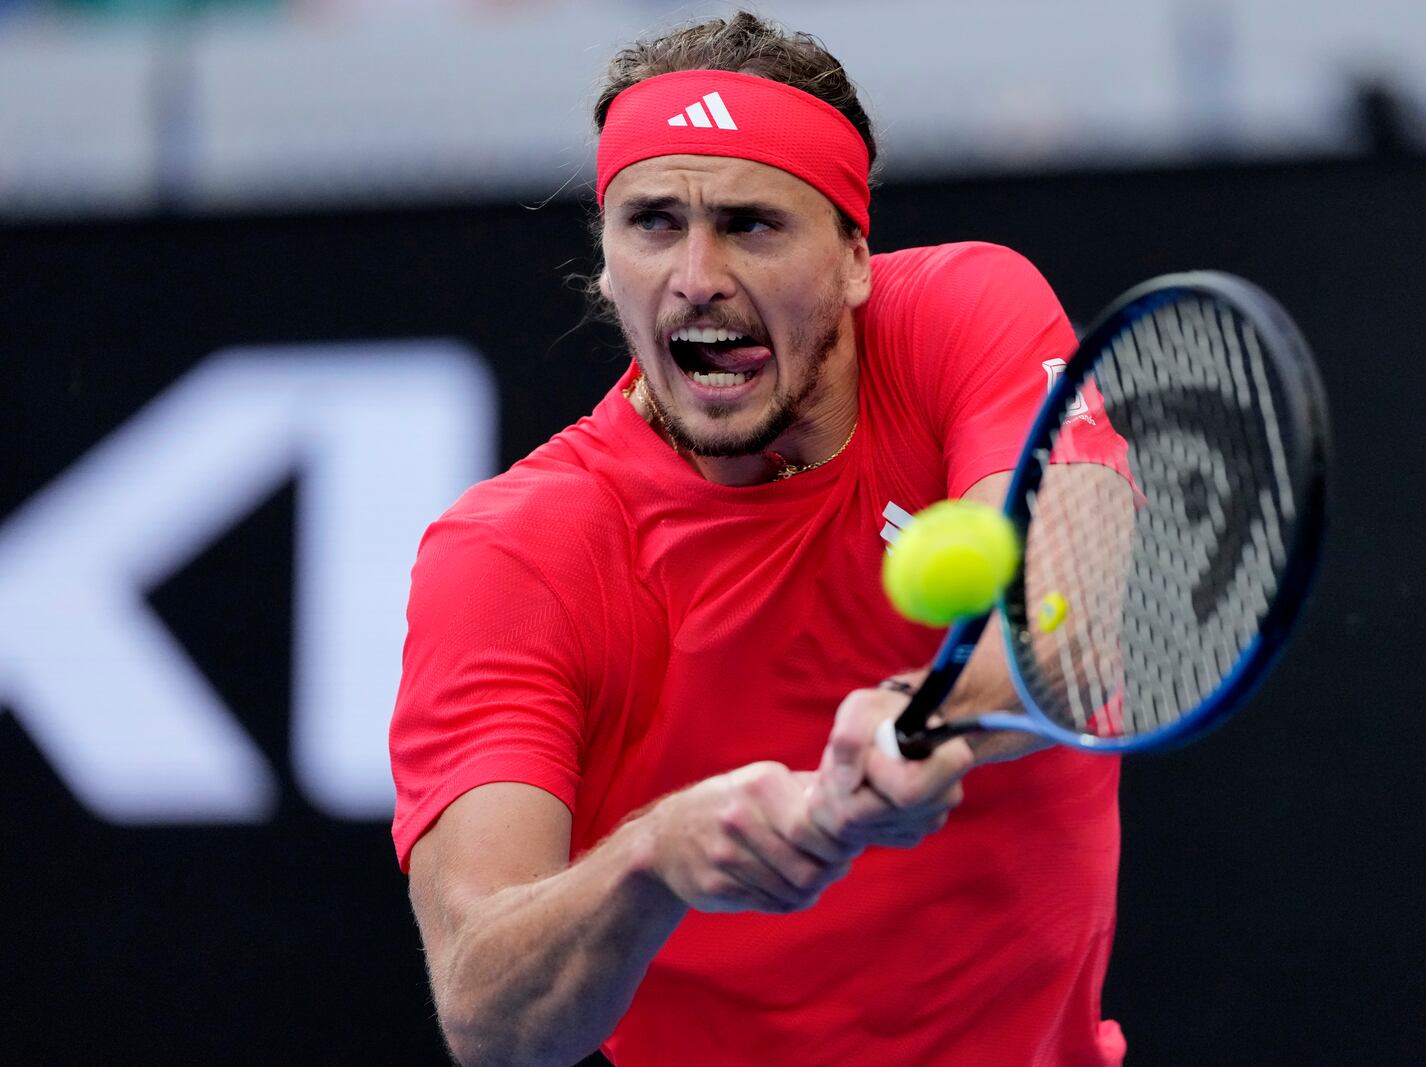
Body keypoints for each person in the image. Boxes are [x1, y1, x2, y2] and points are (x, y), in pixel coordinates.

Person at [390, 12, 1130, 1067]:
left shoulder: (965, 315)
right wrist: (653, 854)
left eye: (751, 224)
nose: (695, 274)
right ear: (603, 264)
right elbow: (486, 1010)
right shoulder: (514, 553)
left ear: (855, 259)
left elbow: (1070, 626)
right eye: (652, 223)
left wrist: (919, 719)